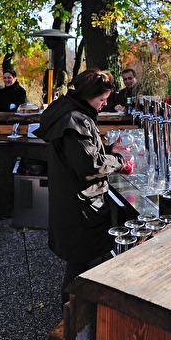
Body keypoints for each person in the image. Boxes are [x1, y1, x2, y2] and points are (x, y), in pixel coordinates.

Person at [34, 69, 132, 308]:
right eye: (102, 99)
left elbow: (81, 155)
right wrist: (119, 161)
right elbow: (88, 165)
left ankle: (79, 315)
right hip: (81, 205)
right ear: (89, 95)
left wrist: (109, 151)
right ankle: (73, 320)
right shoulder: (74, 119)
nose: (105, 103)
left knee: (81, 260)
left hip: (73, 199)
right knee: (79, 263)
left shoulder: (69, 110)